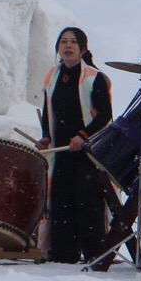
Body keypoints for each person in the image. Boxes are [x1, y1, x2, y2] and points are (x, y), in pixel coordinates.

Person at [37, 26, 113, 264]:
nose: (67, 46)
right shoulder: (52, 76)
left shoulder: (94, 77)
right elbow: (49, 111)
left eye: (73, 42)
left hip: (88, 150)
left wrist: (82, 136)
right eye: (63, 42)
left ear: (83, 49)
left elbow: (105, 116)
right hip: (62, 149)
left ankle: (94, 253)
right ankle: (63, 253)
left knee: (87, 199)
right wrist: (46, 136)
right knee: (60, 199)